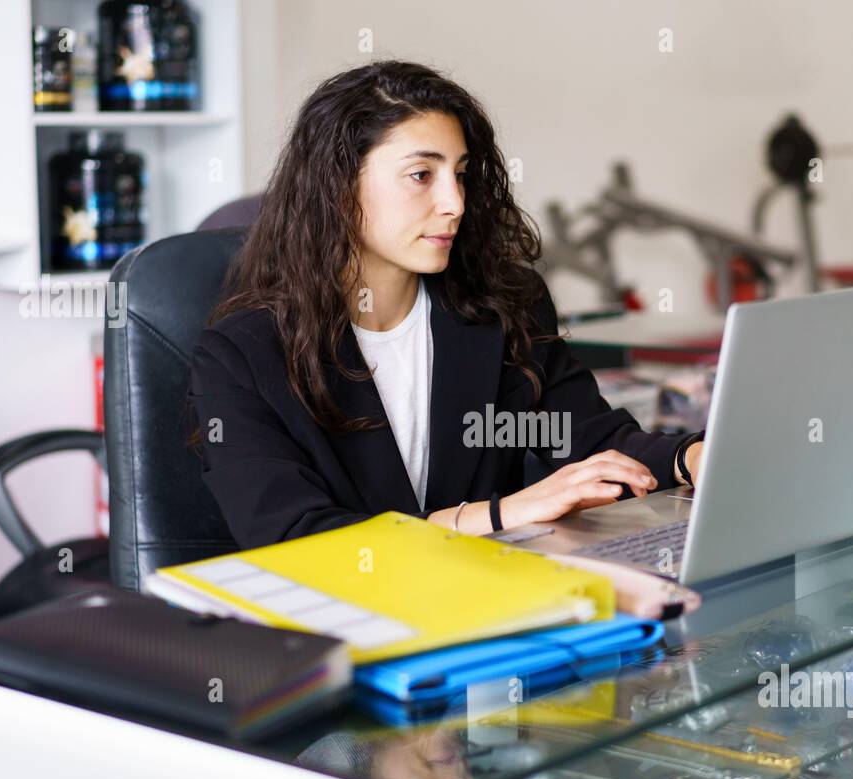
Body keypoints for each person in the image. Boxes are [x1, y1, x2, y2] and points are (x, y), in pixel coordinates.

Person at [189, 61, 704, 548]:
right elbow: (298, 537)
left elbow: (587, 441)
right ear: (338, 189)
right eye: (421, 175)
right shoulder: (242, 356)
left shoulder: (500, 310)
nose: (454, 202)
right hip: (339, 630)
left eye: (460, 174)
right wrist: (498, 516)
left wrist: (693, 457)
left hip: (493, 607)